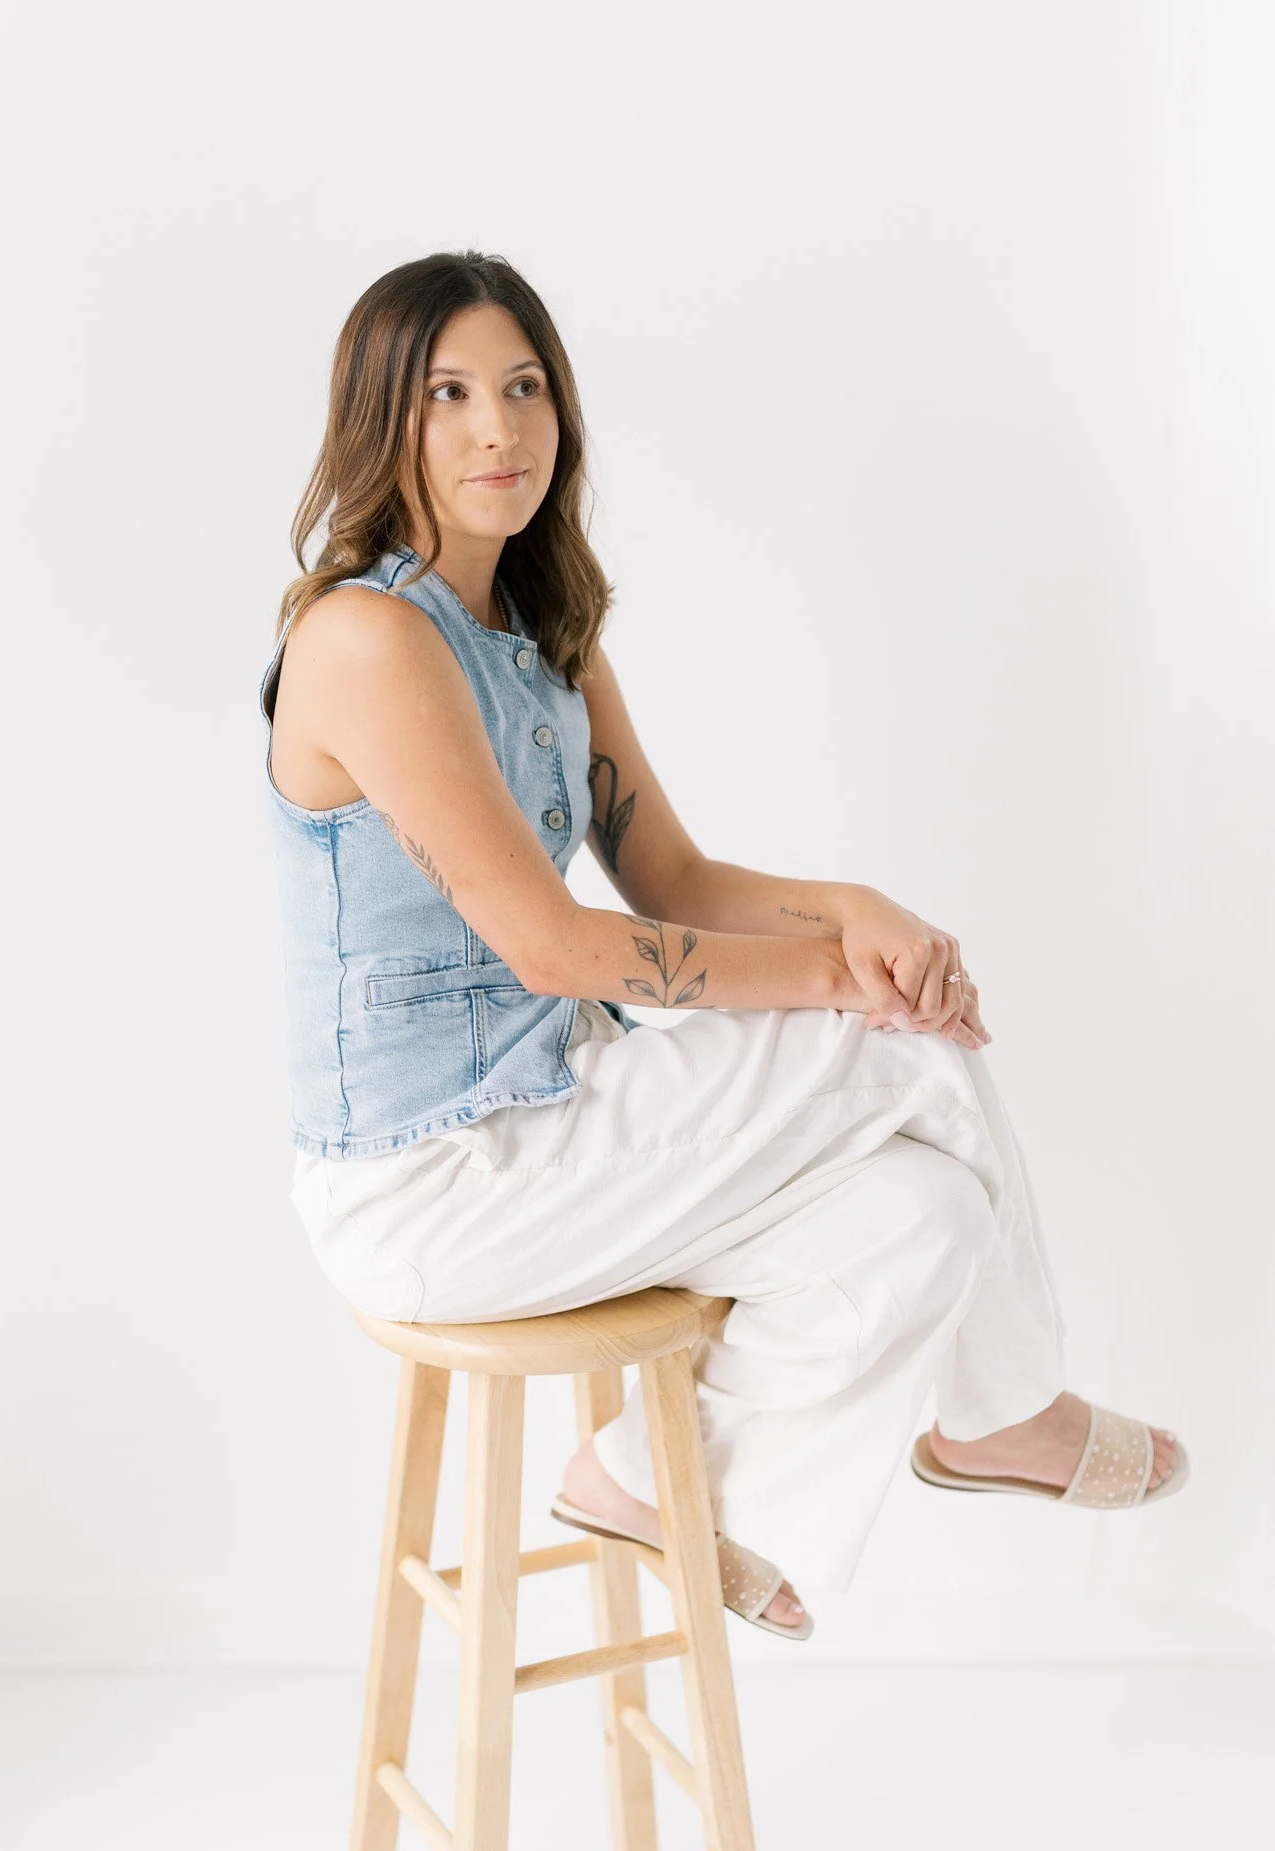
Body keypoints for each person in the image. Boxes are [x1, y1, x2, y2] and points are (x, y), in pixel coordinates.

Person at [258, 250, 1187, 1640]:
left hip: (547, 1127)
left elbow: (670, 878)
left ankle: (637, 1474)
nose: (496, 429)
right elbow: (561, 948)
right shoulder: (366, 640)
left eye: (524, 389)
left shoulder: (543, 634)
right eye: (448, 394)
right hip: (425, 1180)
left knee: (923, 1218)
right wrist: (833, 980)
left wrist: (852, 911)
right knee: (896, 1056)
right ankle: (1007, 1412)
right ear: (380, 420)